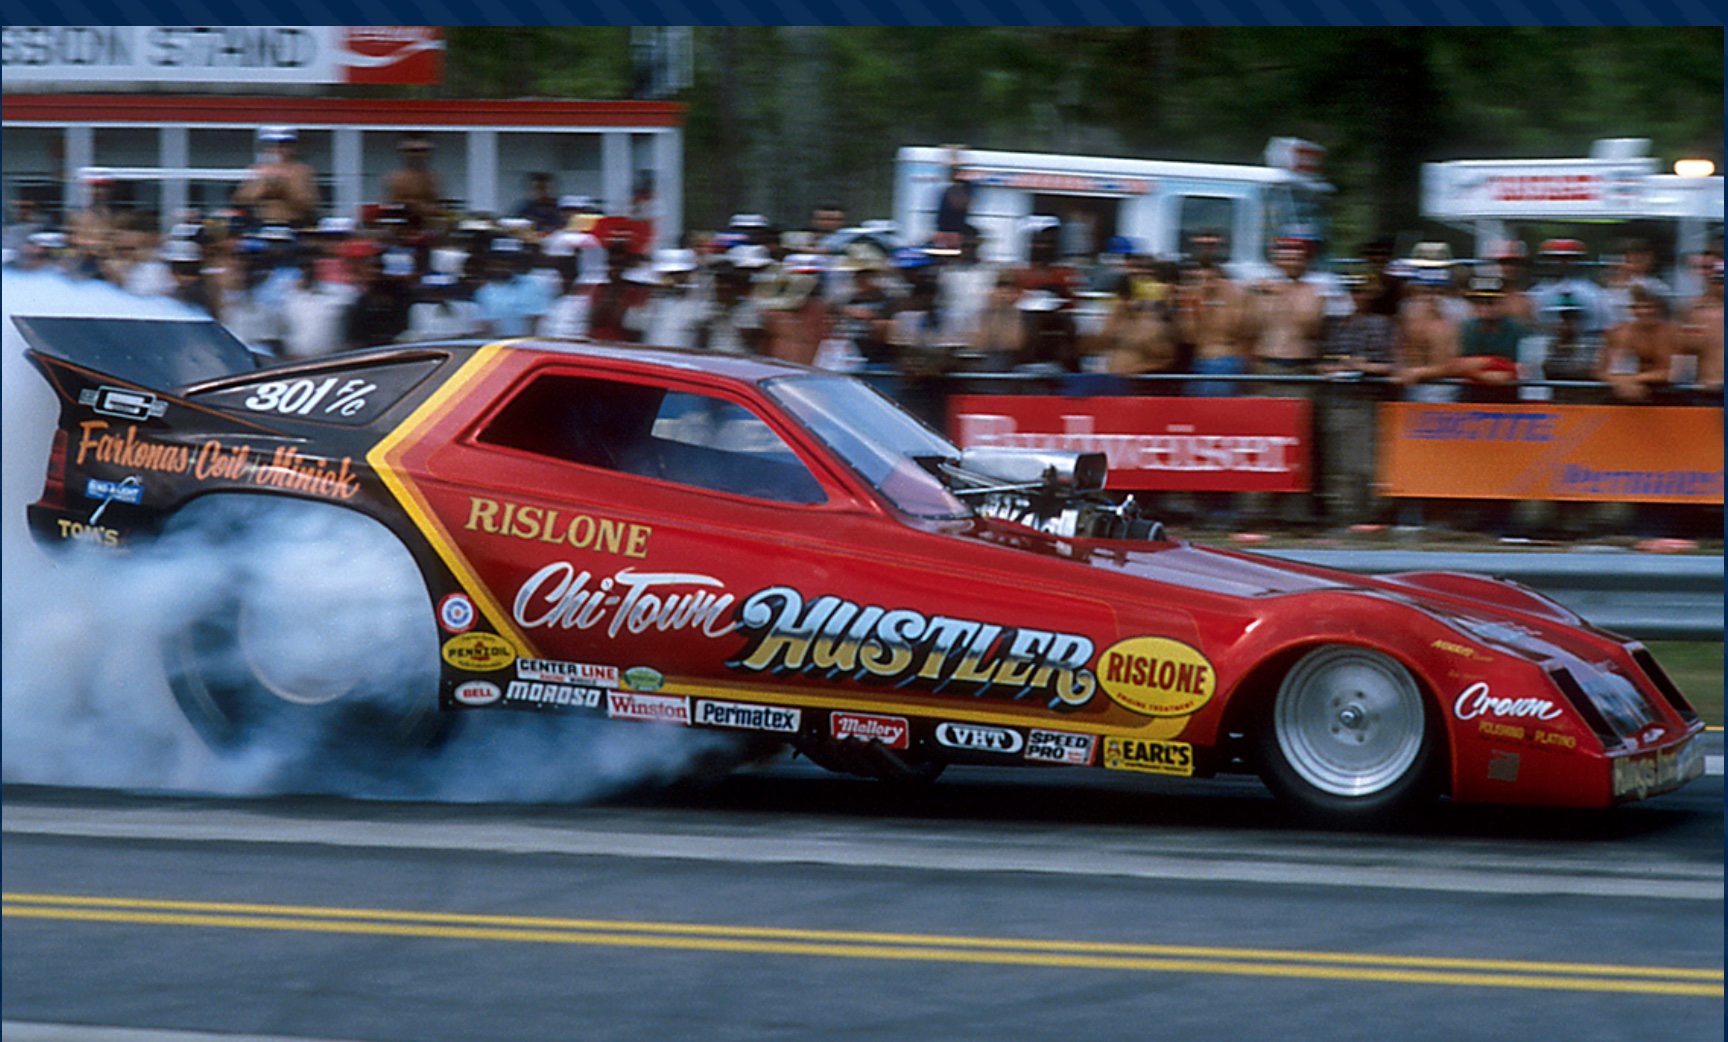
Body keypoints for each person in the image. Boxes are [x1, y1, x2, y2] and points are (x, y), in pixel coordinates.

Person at [1177, 258, 1253, 397]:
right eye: (1201, 279)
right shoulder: (1195, 301)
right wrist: (1193, 310)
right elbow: (1189, 337)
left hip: (1224, 360)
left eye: (1211, 279)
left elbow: (1240, 330)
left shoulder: (1233, 299)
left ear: (1220, 280)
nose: (1206, 284)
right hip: (1200, 360)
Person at [1599, 284, 1677, 403]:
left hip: (1667, 394)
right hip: (1626, 393)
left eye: (1648, 307)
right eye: (1637, 307)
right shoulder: (1620, 332)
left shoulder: (1673, 332)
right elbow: (1603, 370)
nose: (1643, 312)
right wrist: (1620, 382)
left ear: (1659, 308)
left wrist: (1635, 379)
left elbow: (1677, 372)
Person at [233, 126, 319, 229]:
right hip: (262, 224)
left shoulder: (302, 171)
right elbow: (241, 199)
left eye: (283, 146)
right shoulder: (258, 170)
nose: (278, 150)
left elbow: (309, 204)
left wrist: (287, 187)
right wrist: (264, 186)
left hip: (294, 225)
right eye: (272, 145)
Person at [383, 133, 443, 231]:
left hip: (427, 230)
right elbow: (391, 206)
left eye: (422, 151)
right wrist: (416, 206)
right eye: (412, 151)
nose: (417, 155)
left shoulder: (434, 178)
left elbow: (437, 205)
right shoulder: (395, 179)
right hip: (401, 230)